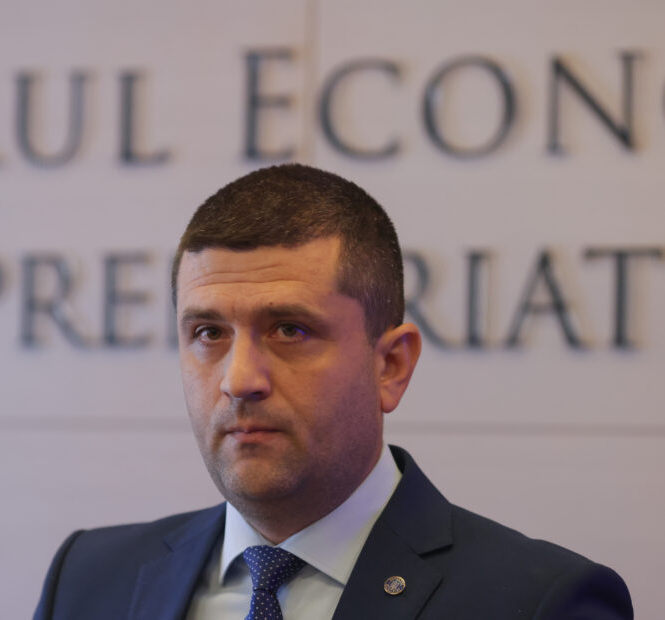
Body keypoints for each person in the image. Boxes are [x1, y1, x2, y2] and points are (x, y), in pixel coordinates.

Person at [32, 164, 632, 619]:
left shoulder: (540, 602)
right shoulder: (87, 581)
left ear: (391, 366)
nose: (239, 380)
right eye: (208, 333)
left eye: (289, 330)